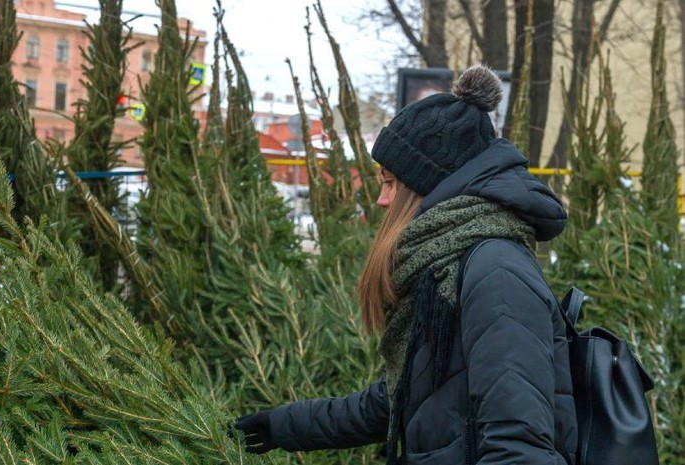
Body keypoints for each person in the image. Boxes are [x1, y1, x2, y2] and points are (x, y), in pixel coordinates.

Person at [232, 64, 578, 464]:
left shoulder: (495, 272)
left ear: (428, 184)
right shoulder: (448, 261)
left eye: (391, 182)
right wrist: (282, 426)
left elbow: (519, 448)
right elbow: (406, 398)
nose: (382, 199)